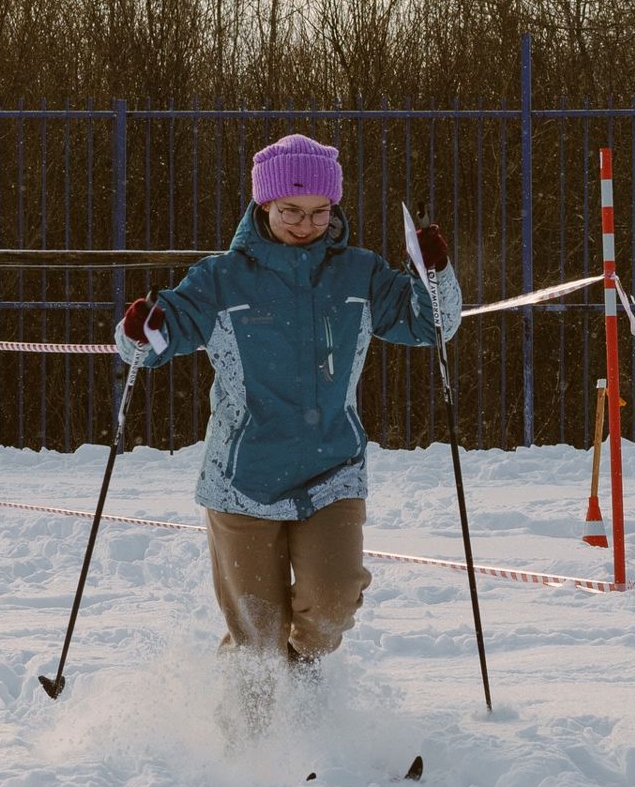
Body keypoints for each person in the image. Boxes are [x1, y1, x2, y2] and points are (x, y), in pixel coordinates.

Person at [114, 132, 460, 684]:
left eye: (320, 212)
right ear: (263, 205)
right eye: (291, 211)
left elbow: (431, 324)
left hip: (332, 469)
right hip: (243, 477)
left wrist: (432, 273)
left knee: (333, 602)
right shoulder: (219, 278)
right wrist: (140, 329)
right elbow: (153, 344)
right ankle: (248, 746)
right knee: (256, 636)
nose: (306, 224)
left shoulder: (360, 273)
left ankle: (299, 683)